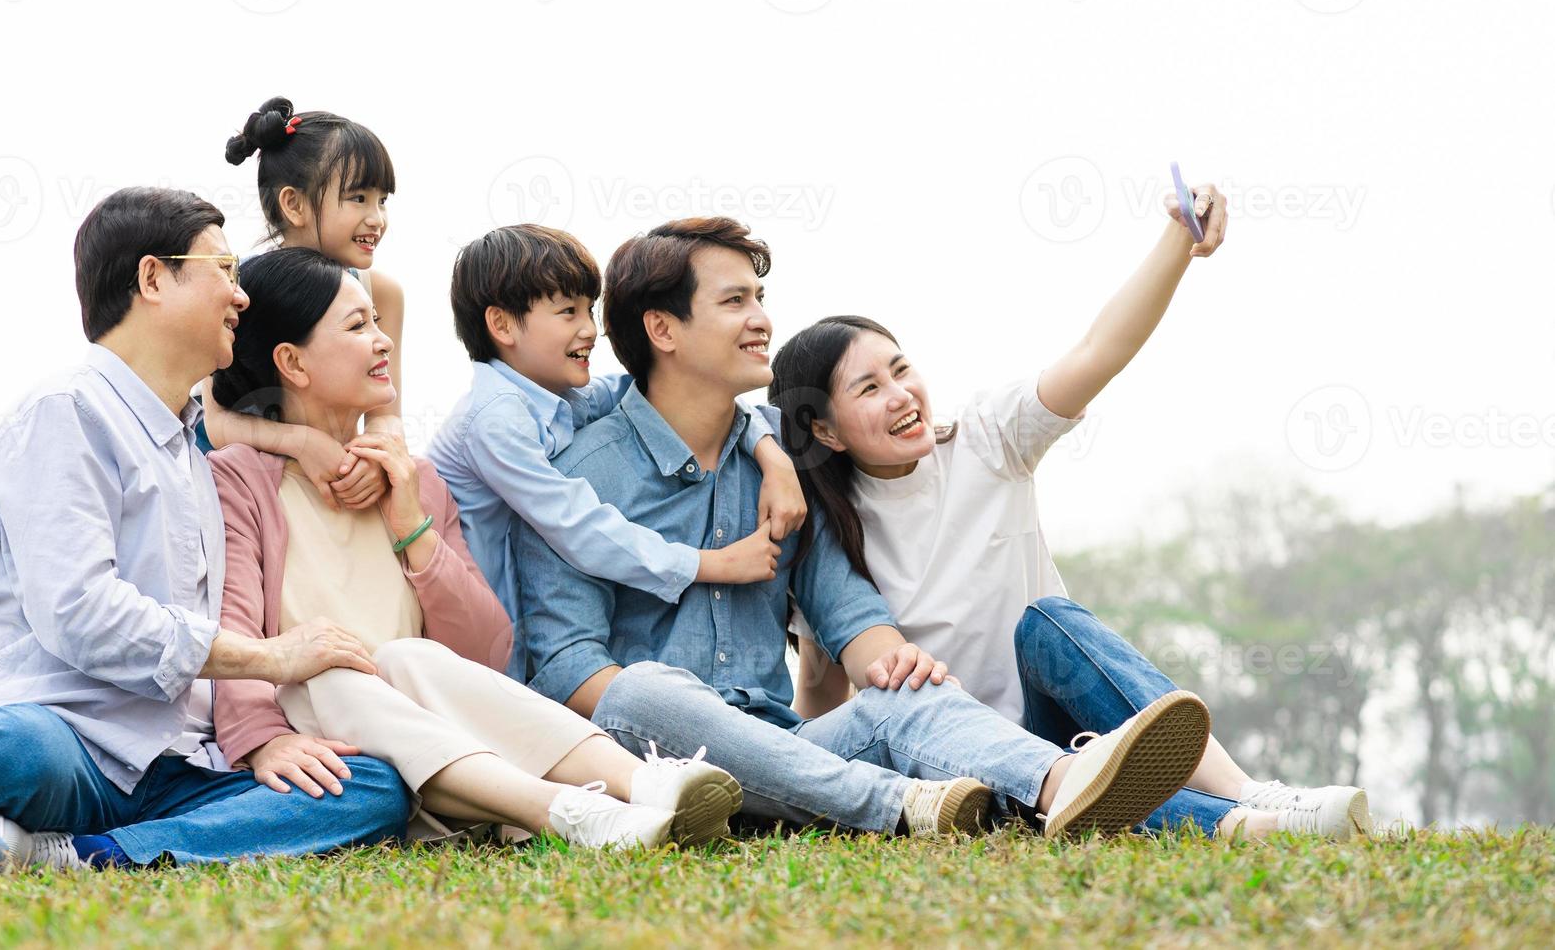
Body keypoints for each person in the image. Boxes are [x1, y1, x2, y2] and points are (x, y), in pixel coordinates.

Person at [512, 216, 1215, 840]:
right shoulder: (577, 477)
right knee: (643, 690)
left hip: (792, 748)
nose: (760, 319)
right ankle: (898, 803)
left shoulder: (782, 468)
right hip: (660, 768)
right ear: (662, 329)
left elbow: (852, 618)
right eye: (734, 301)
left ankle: (1063, 784)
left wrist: (896, 664)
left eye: (759, 298)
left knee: (907, 693)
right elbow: (570, 669)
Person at [769, 185, 1371, 840]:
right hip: (973, 760)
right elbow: (822, 691)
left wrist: (1178, 240)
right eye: (869, 388)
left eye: (900, 369)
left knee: (1050, 621)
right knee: (1084, 790)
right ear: (825, 432)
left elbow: (1098, 351)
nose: (900, 395)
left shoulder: (988, 441)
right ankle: (1251, 828)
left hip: (1063, 722)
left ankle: (1252, 796)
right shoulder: (831, 536)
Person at [0, 188, 411, 872]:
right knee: (0, 744)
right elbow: (80, 613)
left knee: (370, 787)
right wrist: (269, 658)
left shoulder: (191, 447)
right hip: (66, 747)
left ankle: (86, 856)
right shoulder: (65, 415)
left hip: (175, 766)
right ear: (154, 278)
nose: (241, 298)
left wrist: (263, 740)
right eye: (224, 271)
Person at [208, 247, 742, 849]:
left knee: (409, 658)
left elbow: (486, 649)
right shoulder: (238, 482)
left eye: (378, 322)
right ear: (292, 363)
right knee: (333, 672)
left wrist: (411, 524)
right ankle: (566, 812)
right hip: (334, 750)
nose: (384, 342)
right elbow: (230, 635)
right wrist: (262, 738)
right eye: (358, 326)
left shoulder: (418, 481)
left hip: (452, 750)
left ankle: (645, 784)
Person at [427, 224, 806, 644]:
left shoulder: (562, 398)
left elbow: (677, 395)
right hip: (463, 622)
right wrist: (709, 565)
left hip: (503, 618)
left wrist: (772, 454)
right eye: (567, 312)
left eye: (589, 310)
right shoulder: (494, 419)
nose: (590, 330)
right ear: (502, 324)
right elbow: (578, 526)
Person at [202, 96, 406, 514]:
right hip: (238, 495)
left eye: (382, 200)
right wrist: (302, 442)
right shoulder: (237, 291)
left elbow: (387, 410)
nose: (377, 219)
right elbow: (217, 421)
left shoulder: (379, 292)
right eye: (358, 198)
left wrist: (377, 455)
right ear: (293, 204)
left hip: (335, 485)